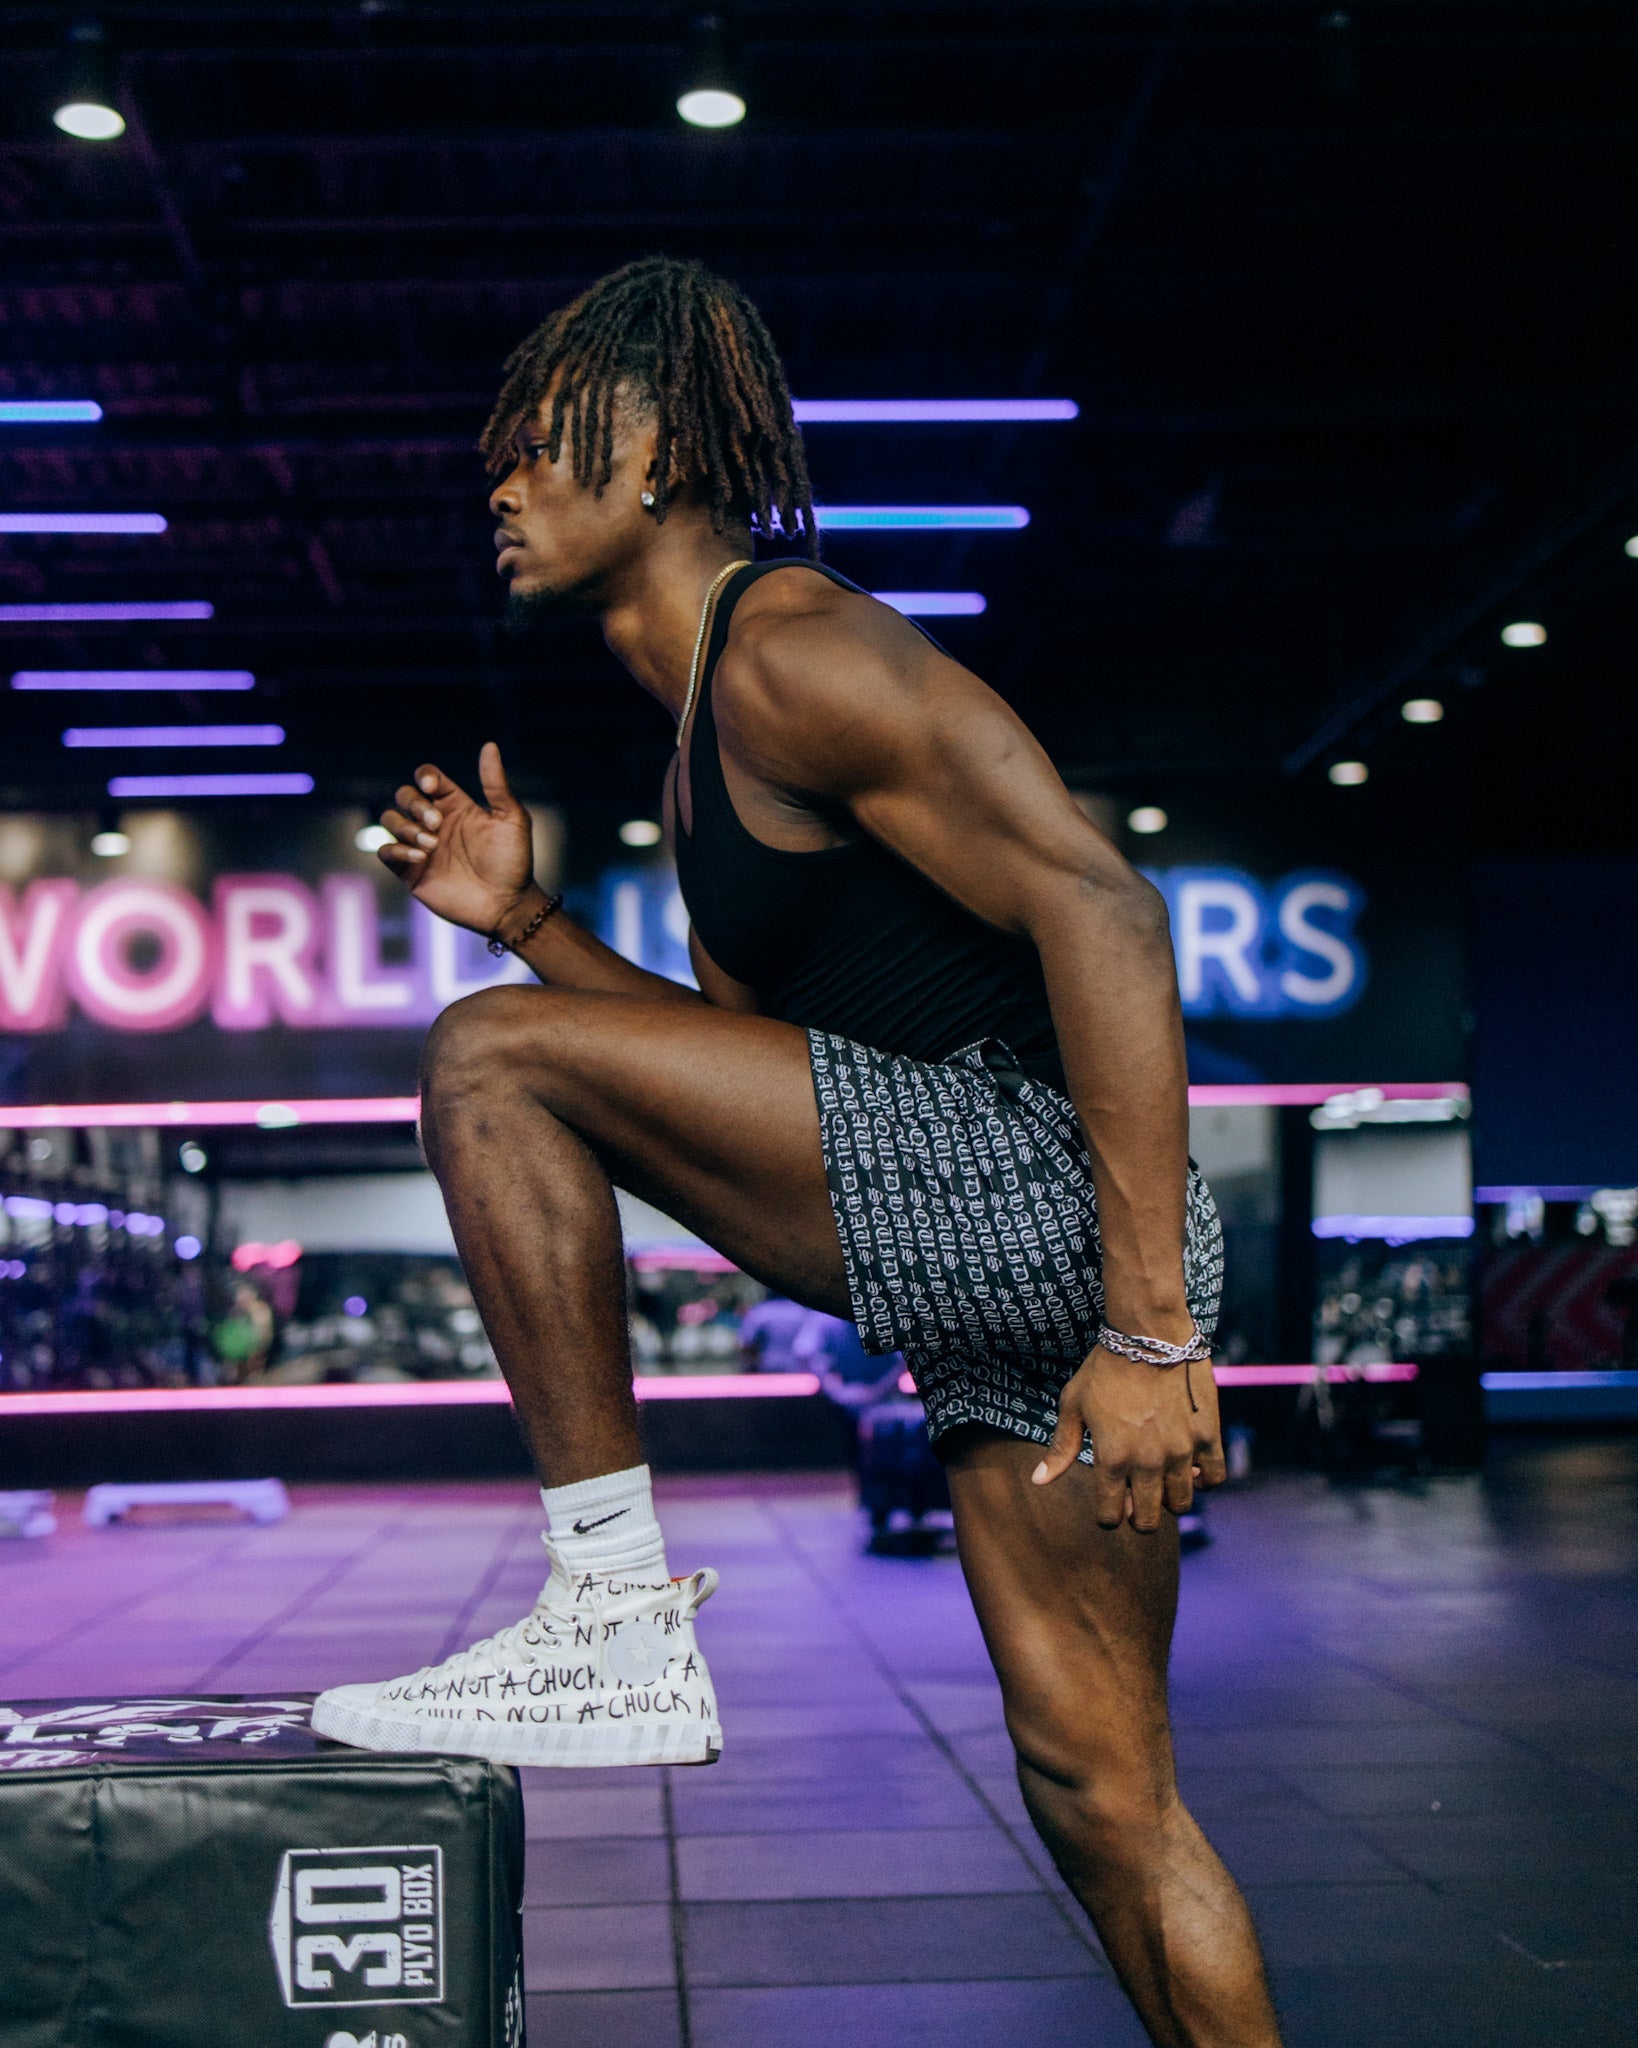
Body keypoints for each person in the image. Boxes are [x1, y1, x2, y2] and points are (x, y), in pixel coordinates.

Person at [312, 257, 1281, 2046]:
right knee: (1102, 1794)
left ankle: (609, 1608)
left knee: (482, 1066)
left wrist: (1151, 1332)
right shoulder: (699, 751)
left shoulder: (794, 651)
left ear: (657, 446)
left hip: (1037, 1197)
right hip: (998, 1258)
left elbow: (1110, 914)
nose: (499, 488)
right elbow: (751, 1073)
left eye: (537, 447)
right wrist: (526, 920)